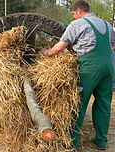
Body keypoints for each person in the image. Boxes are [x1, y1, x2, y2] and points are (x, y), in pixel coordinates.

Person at [41, 0, 115, 151]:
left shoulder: (77, 24)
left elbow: (60, 46)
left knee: (78, 104)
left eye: (74, 14)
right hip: (109, 67)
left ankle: (71, 143)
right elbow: (112, 46)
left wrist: (47, 53)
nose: (73, 17)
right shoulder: (107, 25)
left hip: (89, 68)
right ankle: (101, 141)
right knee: (104, 105)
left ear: (79, 11)